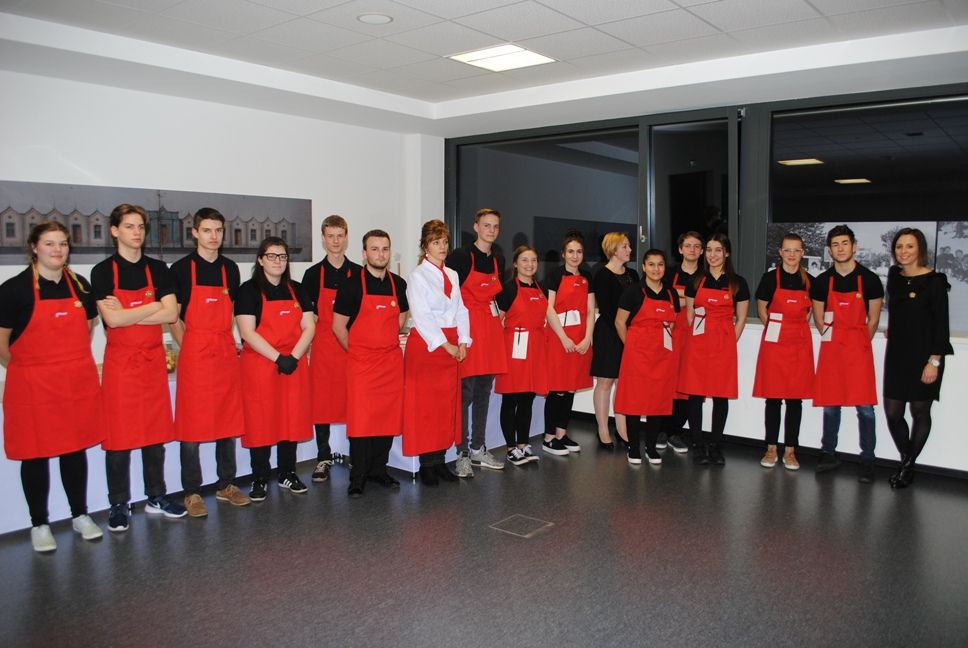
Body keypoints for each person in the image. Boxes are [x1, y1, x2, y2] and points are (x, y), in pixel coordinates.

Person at [0, 222, 104, 552]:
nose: (57, 250)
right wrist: (31, 368)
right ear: (34, 247)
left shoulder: (81, 287)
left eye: (62, 243)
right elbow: (2, 344)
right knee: (35, 454)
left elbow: (88, 327)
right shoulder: (13, 290)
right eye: (49, 243)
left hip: (74, 384)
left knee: (74, 450)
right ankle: (39, 524)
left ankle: (80, 515)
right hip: (33, 387)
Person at [91, 204, 186, 531]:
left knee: (154, 436)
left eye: (140, 227)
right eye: (129, 226)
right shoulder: (103, 272)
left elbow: (171, 314)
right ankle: (118, 503)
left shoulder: (158, 269)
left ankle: (156, 496)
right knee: (118, 439)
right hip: (120, 364)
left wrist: (128, 313)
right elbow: (112, 321)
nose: (136, 232)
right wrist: (153, 305)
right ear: (115, 231)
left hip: (152, 361)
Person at [169, 208, 249, 517]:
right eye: (207, 230)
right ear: (195, 233)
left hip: (224, 352)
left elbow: (231, 313)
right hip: (195, 355)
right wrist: (191, 346)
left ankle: (226, 484)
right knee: (191, 427)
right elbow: (174, 318)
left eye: (218, 230)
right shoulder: (180, 269)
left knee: (227, 422)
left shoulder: (230, 269)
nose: (213, 236)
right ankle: (191, 492)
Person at [235, 237, 315, 501]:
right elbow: (247, 332)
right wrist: (278, 358)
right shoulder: (248, 291)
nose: (278, 261)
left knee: (290, 419)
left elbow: (309, 326)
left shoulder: (297, 289)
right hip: (261, 365)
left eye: (282, 256)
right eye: (271, 256)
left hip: (293, 364)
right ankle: (260, 477)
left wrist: (293, 356)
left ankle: (287, 472)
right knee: (261, 421)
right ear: (260, 259)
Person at [334, 230, 409, 497]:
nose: (380, 254)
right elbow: (338, 326)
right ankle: (358, 476)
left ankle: (379, 470)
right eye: (374, 249)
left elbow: (401, 316)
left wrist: (384, 343)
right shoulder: (351, 285)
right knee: (361, 422)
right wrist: (358, 350)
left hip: (390, 362)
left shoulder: (398, 283)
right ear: (364, 253)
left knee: (386, 419)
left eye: (385, 249)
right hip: (362, 363)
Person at [811, 224, 883, 483]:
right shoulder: (821, 282)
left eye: (844, 243)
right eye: (835, 245)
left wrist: (856, 341)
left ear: (854, 247)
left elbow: (873, 320)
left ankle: (868, 459)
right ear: (829, 250)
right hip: (832, 350)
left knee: (865, 408)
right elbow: (819, 319)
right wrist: (836, 340)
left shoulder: (870, 280)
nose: (840, 249)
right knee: (831, 406)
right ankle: (828, 453)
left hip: (858, 350)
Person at [883, 228, 953, 488]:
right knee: (893, 413)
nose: (903, 251)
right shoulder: (894, 276)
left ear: (920, 249)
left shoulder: (935, 282)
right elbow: (899, 310)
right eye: (899, 246)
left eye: (909, 246)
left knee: (920, 411)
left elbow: (941, 326)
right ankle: (908, 461)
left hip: (925, 356)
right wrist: (895, 327)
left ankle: (907, 466)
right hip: (897, 354)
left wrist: (934, 361)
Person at [402, 220, 470, 485]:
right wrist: (446, 344)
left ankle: (440, 460)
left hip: (451, 344)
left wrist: (463, 340)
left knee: (445, 406)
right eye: (435, 242)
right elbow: (422, 316)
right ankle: (426, 464)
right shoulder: (417, 276)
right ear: (425, 246)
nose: (442, 247)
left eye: (444, 242)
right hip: (429, 346)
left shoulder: (452, 274)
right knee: (426, 408)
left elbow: (461, 309)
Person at [678, 233, 750, 466]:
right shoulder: (695, 281)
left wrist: (730, 341)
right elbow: (690, 314)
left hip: (723, 345)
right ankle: (698, 444)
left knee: (720, 396)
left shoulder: (738, 283)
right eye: (709, 250)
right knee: (695, 394)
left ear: (726, 253)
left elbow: (741, 318)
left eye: (718, 250)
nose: (713, 255)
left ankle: (716, 444)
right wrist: (700, 337)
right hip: (698, 344)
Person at [446, 208, 506, 472]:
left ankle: (478, 447)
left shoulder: (498, 259)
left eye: (495, 226)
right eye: (486, 225)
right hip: (467, 329)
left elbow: (497, 297)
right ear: (476, 227)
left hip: (490, 330)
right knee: (465, 393)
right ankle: (461, 453)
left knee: (484, 391)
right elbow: (449, 295)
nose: (491, 230)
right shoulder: (460, 256)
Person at [302, 215, 360, 483]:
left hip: (352, 346)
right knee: (321, 402)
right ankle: (323, 456)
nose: (335, 241)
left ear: (346, 237)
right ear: (323, 239)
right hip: (324, 348)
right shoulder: (312, 275)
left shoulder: (359, 273)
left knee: (355, 401)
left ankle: (357, 456)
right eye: (330, 236)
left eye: (340, 235)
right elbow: (308, 316)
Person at [751, 233, 814, 471]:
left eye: (796, 250)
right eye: (787, 250)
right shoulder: (769, 278)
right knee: (773, 398)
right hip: (775, 343)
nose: (791, 254)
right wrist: (776, 329)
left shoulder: (810, 281)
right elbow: (762, 310)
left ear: (802, 253)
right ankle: (770, 448)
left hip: (799, 343)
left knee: (795, 400)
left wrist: (795, 329)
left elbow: (810, 312)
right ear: (780, 252)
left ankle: (790, 451)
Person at [614, 249, 681, 466]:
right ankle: (634, 448)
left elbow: (672, 322)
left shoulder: (671, 293)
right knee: (634, 402)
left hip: (662, 357)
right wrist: (631, 346)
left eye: (660, 264)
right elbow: (619, 322)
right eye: (651, 264)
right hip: (637, 356)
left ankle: (651, 448)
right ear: (643, 267)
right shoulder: (633, 292)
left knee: (657, 402)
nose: (656, 269)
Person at [542, 231, 595, 456]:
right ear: (563, 254)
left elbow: (591, 310)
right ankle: (548, 437)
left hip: (580, 338)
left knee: (571, 387)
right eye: (570, 251)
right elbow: (548, 308)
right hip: (559, 338)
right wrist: (564, 337)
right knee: (557, 388)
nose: (575, 256)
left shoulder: (587, 276)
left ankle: (561, 433)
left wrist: (587, 338)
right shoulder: (554, 275)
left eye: (579, 252)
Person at [495, 245, 548, 466]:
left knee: (527, 398)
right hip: (514, 348)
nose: (530, 264)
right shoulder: (508, 289)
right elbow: (497, 321)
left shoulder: (540, 289)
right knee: (511, 398)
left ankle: (522, 444)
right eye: (525, 260)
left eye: (533, 260)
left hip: (534, 349)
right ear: (515, 264)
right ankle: (510, 448)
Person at [590, 232, 637, 450]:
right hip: (609, 333)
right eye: (625, 246)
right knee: (606, 381)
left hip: (629, 332)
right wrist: (623, 328)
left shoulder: (633, 275)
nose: (629, 250)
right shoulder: (602, 275)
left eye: (629, 246)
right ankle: (603, 430)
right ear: (613, 249)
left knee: (623, 382)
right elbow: (608, 310)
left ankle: (622, 429)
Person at [661, 231, 704, 454]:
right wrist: (690, 299)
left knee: (689, 385)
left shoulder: (706, 275)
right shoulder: (669, 273)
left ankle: (675, 431)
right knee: (667, 381)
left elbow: (703, 303)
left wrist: (681, 298)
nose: (692, 250)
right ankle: (662, 429)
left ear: (702, 251)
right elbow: (664, 296)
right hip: (671, 332)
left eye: (696, 246)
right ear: (680, 249)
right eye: (688, 246)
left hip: (696, 336)